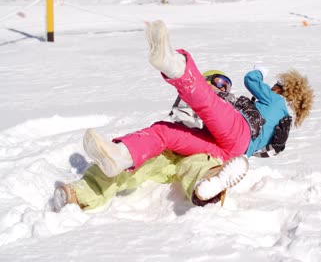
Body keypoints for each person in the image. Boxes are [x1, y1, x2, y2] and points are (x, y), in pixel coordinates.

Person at [82, 20, 314, 204]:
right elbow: (268, 150)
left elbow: (251, 80)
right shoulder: (282, 123)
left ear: (285, 89)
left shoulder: (276, 99)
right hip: (230, 153)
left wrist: (259, 72)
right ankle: (123, 157)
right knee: (167, 132)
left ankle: (172, 64)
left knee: (205, 101)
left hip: (239, 130)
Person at [53, 70, 237, 212]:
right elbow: (186, 109)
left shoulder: (228, 112)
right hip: (170, 150)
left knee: (199, 165)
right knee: (130, 168)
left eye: (227, 86)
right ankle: (80, 193)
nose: (223, 88)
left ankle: (208, 189)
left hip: (200, 154)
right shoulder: (193, 98)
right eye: (219, 81)